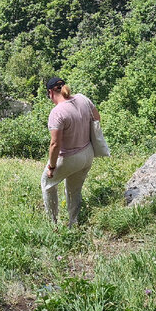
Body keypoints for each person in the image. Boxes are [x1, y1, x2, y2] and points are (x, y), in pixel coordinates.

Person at [41, 76, 100, 226]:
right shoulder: (82, 99)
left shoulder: (57, 112)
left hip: (70, 158)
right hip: (88, 153)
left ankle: (52, 223)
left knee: (47, 183)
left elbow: (55, 144)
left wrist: (51, 167)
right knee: (74, 190)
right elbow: (97, 118)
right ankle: (74, 223)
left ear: (51, 93)